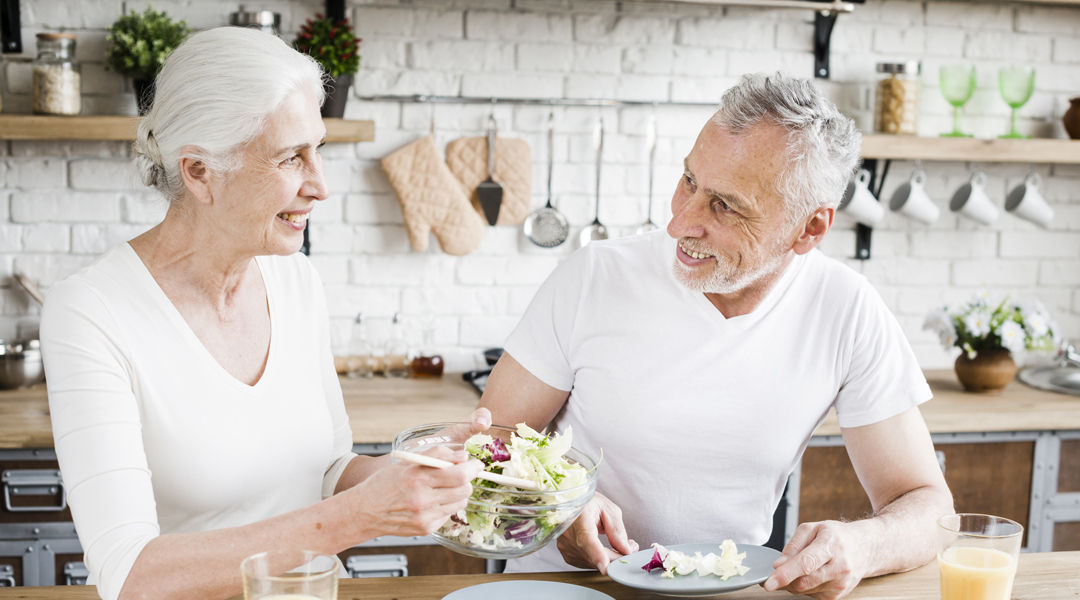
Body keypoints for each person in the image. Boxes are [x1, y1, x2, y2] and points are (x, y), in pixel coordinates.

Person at [40, 27, 486, 600]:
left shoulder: (295, 279)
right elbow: (130, 575)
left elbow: (327, 472)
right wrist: (361, 517)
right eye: (290, 157)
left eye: (318, 149)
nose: (320, 186)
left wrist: (419, 469)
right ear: (200, 171)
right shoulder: (92, 311)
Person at [476, 73, 954, 600]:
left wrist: (865, 545)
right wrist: (557, 505)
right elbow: (483, 445)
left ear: (810, 228)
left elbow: (928, 506)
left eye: (724, 206)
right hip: (569, 588)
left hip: (730, 593)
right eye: (688, 181)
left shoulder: (846, 309)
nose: (680, 223)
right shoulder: (593, 277)